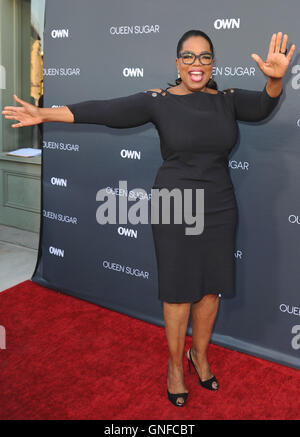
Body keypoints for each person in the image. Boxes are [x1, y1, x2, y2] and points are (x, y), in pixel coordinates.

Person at [2, 29, 295, 408]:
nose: (196, 64)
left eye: (204, 57)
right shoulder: (158, 102)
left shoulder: (227, 100)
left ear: (213, 63)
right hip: (174, 204)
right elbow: (104, 110)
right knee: (177, 290)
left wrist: (273, 80)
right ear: (177, 63)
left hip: (219, 205)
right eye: (188, 57)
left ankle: (199, 356)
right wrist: (43, 112)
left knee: (210, 288)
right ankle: (175, 365)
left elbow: (263, 106)